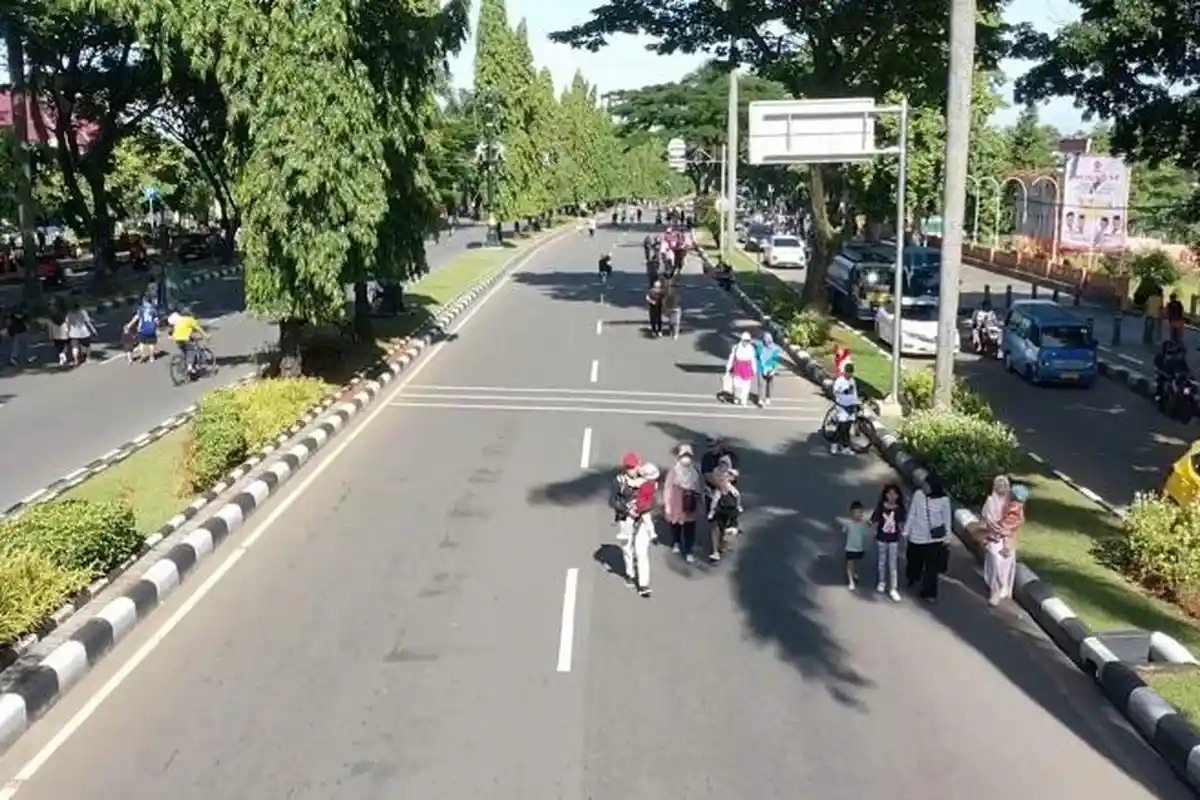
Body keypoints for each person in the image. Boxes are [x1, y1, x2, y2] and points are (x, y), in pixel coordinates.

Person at [903, 475, 953, 603]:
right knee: (914, 560)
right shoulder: (918, 495)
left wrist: (948, 536)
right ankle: (913, 577)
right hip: (917, 535)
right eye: (924, 485)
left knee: (932, 568)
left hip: (934, 538)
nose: (924, 488)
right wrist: (906, 531)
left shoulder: (944, 500)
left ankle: (929, 593)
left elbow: (947, 519)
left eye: (927, 486)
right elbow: (912, 513)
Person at [983, 477, 1027, 605]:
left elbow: (1019, 520)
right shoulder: (991, 500)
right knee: (995, 560)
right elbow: (989, 519)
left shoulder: (1014, 503)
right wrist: (999, 530)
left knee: (1006, 562)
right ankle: (995, 590)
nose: (1002, 487)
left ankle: (1002, 588)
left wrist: (1008, 530)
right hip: (994, 537)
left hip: (1008, 538)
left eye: (1004, 485)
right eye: (999, 484)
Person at [663, 444, 702, 563]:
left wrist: (700, 501)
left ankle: (689, 551)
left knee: (690, 527)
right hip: (676, 501)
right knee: (675, 524)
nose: (686, 459)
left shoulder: (695, 471)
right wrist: (667, 505)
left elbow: (699, 487)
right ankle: (676, 541)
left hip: (689, 501)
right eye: (684, 456)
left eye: (688, 456)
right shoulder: (674, 471)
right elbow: (667, 488)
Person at [707, 456, 742, 562]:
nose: (729, 475)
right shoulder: (719, 476)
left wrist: (738, 507)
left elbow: (737, 497)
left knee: (726, 530)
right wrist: (712, 511)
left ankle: (722, 547)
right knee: (716, 528)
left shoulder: (733, 488)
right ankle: (715, 551)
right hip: (720, 509)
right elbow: (716, 497)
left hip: (729, 511)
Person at [830, 362, 860, 455]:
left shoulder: (852, 381)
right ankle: (834, 444)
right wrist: (843, 391)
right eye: (848, 372)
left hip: (850, 406)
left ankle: (845, 447)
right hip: (842, 406)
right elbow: (835, 391)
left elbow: (854, 393)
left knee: (847, 428)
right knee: (841, 427)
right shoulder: (840, 380)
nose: (849, 374)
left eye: (851, 373)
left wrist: (856, 403)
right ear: (845, 372)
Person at [170, 307, 209, 376]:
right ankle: (190, 367)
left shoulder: (180, 320)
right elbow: (198, 329)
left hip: (177, 339)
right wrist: (205, 335)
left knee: (185, 353)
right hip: (185, 338)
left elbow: (185, 331)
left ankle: (187, 369)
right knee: (192, 351)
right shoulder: (190, 320)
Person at [840, 500, 870, 590]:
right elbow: (844, 532)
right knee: (850, 563)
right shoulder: (848, 524)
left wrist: (868, 525)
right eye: (855, 512)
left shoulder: (863, 524)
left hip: (859, 547)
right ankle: (851, 581)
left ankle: (854, 573)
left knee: (856, 562)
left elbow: (866, 534)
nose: (858, 515)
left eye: (860, 512)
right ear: (851, 513)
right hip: (849, 547)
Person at [725, 332, 759, 406]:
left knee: (746, 386)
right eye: (745, 340)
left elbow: (753, 359)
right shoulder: (736, 347)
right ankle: (737, 398)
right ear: (742, 340)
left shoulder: (751, 348)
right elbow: (732, 357)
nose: (746, 342)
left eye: (748, 340)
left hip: (747, 369)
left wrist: (754, 369)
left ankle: (743, 400)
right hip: (738, 368)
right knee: (737, 385)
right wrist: (728, 367)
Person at [124, 295, 160, 363]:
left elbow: (136, 318)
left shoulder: (141, 308)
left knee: (141, 343)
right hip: (151, 329)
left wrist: (129, 325)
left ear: (144, 301)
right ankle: (151, 357)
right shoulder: (154, 309)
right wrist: (157, 328)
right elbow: (156, 320)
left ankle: (142, 355)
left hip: (142, 329)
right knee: (151, 344)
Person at [1154, 336, 1190, 402]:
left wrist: (1188, 376)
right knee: (1161, 384)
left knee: (1188, 386)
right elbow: (1158, 369)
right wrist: (1165, 374)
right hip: (1165, 376)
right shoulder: (1163, 359)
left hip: (1176, 379)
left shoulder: (1181, 362)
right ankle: (1158, 397)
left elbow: (1187, 371)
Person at [65, 300, 97, 367]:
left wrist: (67, 332)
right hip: (83, 332)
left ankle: (76, 360)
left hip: (73, 333)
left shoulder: (69, 314)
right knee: (87, 346)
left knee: (74, 347)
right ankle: (87, 359)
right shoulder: (82, 312)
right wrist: (93, 330)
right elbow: (88, 322)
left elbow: (67, 324)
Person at [755, 332, 782, 406]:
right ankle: (760, 399)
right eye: (766, 340)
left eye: (769, 340)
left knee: (769, 384)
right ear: (764, 340)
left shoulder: (775, 349)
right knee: (760, 384)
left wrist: (774, 370)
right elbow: (756, 356)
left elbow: (776, 360)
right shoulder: (760, 346)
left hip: (770, 368)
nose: (768, 342)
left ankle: (768, 397)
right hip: (761, 368)